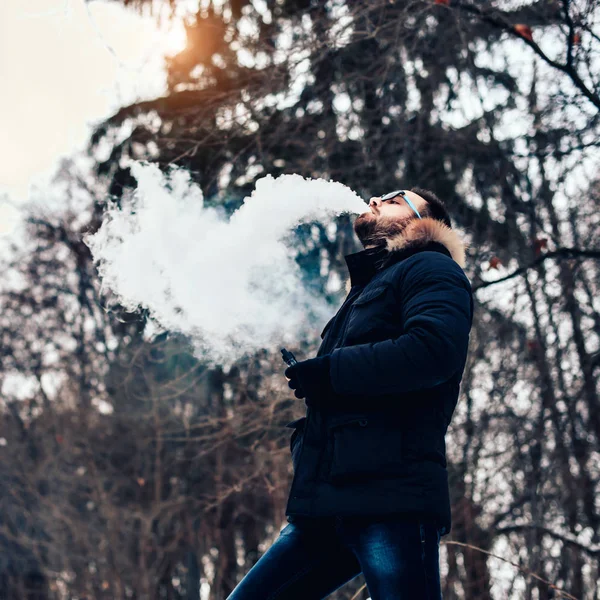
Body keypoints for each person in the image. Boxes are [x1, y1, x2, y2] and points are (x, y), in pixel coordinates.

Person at [227, 188, 474, 599]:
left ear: (421, 220)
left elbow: (433, 351)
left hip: (390, 497)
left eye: (394, 199)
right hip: (327, 502)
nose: (375, 200)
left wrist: (327, 373)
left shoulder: (431, 267)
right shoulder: (365, 291)